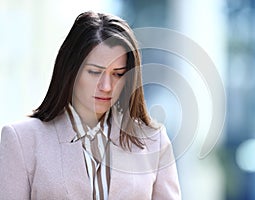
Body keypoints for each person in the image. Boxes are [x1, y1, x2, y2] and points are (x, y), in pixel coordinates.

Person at [0, 11, 181, 200]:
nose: (106, 86)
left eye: (117, 74)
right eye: (95, 72)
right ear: (70, 70)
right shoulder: (21, 140)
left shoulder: (154, 141)